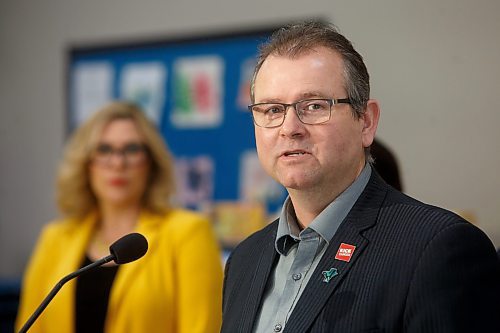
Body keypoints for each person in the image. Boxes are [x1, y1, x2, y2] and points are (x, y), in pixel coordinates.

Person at [221, 21, 500, 332]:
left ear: (366, 122)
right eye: (272, 110)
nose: (290, 127)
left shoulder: (437, 249)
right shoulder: (245, 259)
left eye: (314, 106)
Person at [15, 101, 223, 333]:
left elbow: (203, 327)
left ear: (150, 162)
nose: (117, 163)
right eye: (104, 149)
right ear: (86, 163)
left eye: (132, 149)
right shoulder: (55, 238)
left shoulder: (189, 232)